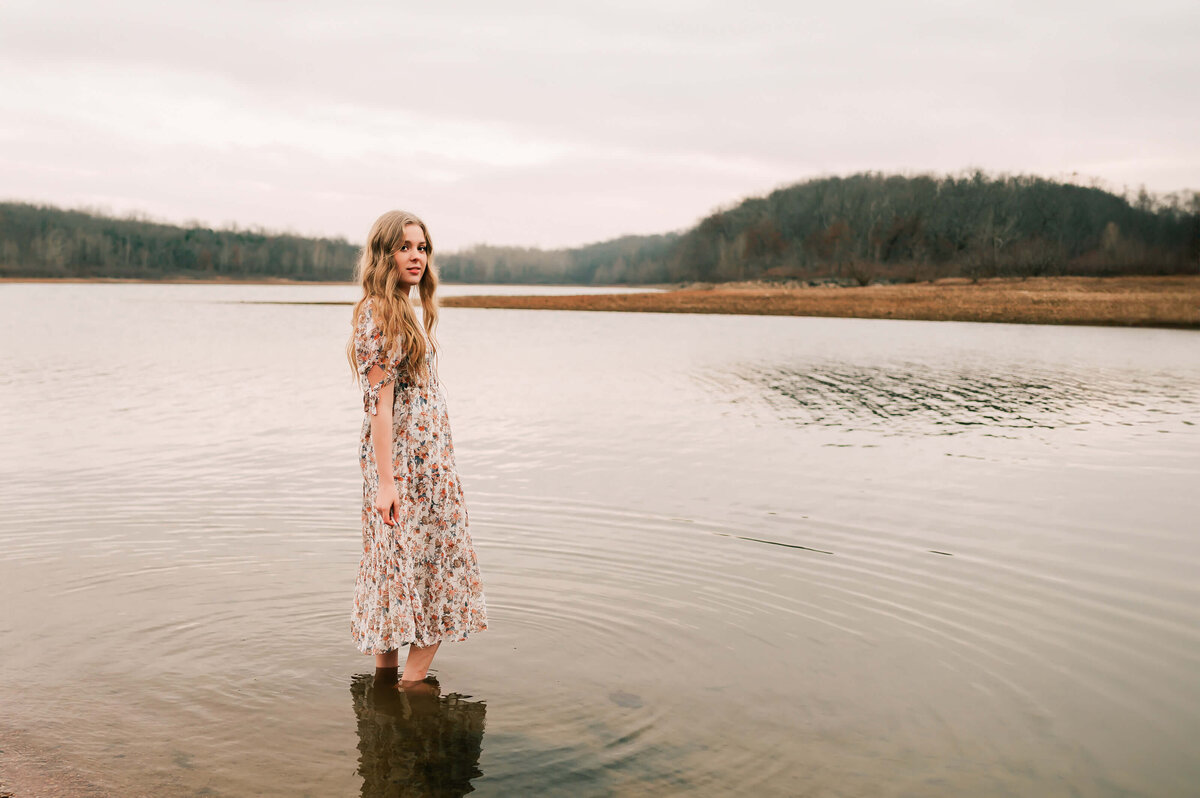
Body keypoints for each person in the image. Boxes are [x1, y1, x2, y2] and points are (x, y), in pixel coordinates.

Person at [348, 209, 487, 683]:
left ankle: (388, 693)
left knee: (403, 566)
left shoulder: (405, 309)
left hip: (425, 462)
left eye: (422, 248)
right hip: (406, 467)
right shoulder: (379, 312)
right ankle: (412, 691)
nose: (416, 257)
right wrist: (388, 482)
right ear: (384, 253)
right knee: (433, 565)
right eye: (405, 247)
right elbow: (379, 406)